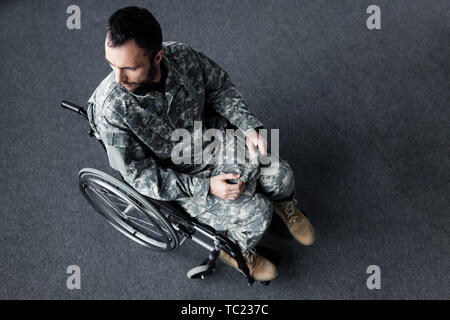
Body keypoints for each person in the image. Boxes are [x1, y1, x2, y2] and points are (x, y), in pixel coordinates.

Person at [87, 6, 315, 281]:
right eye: (111, 65)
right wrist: (206, 187)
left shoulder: (183, 56)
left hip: (208, 140)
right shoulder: (111, 109)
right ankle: (235, 253)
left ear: (157, 56)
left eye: (129, 68)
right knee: (258, 213)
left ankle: (286, 207)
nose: (118, 78)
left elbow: (219, 88)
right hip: (177, 175)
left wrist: (249, 126)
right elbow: (138, 174)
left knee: (281, 176)